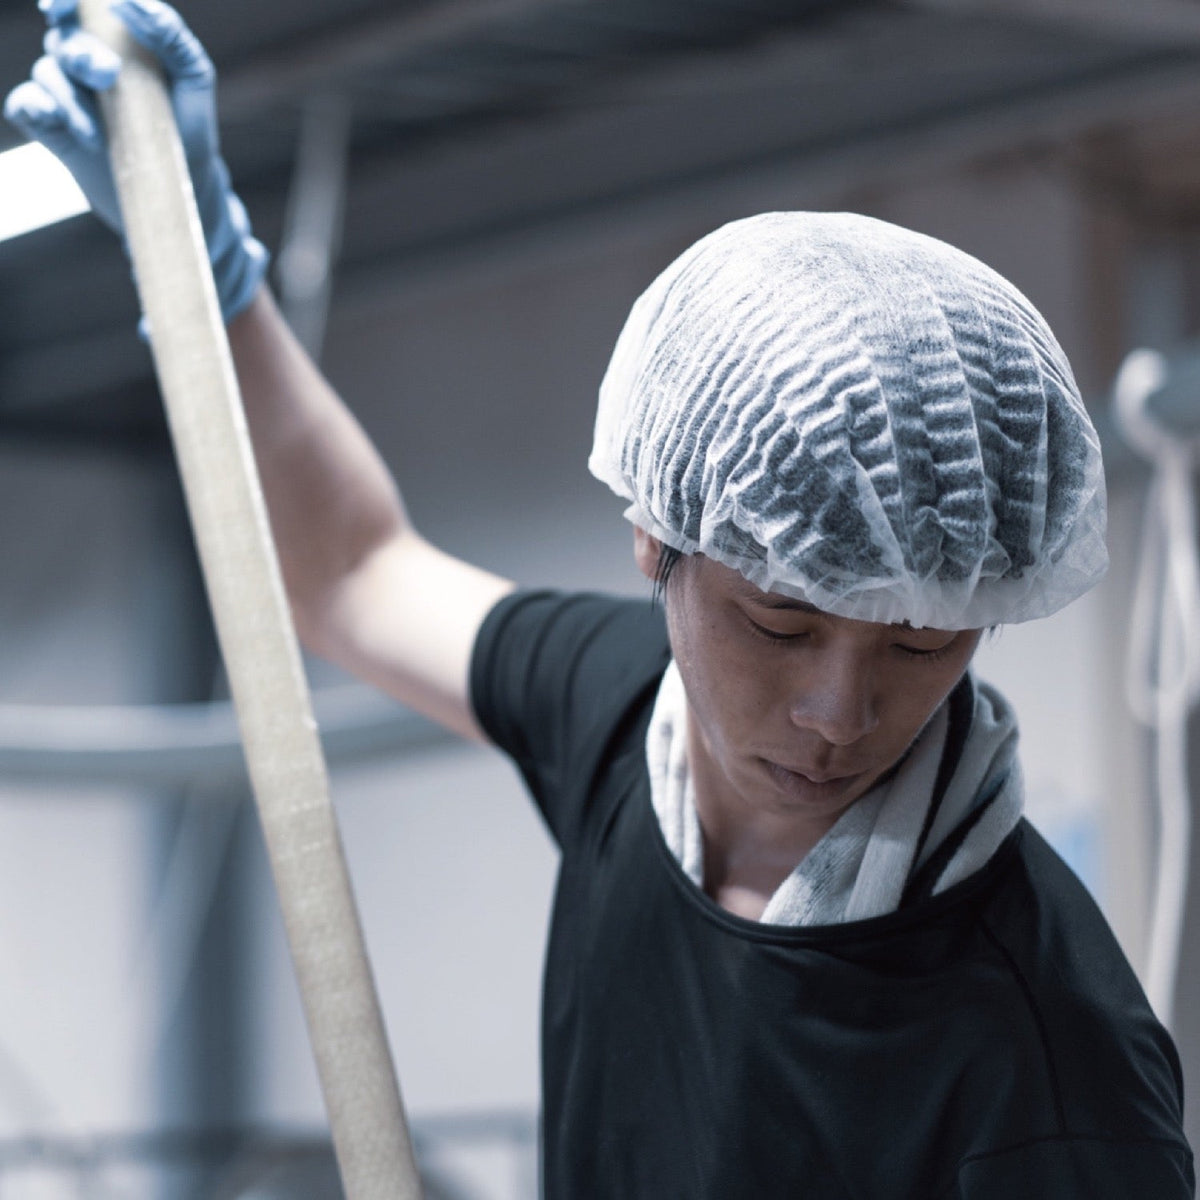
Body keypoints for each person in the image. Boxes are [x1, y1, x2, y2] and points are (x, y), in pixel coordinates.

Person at [7, 3, 1196, 1196]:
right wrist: (210, 270)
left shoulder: (1050, 1073)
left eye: (921, 646)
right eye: (780, 624)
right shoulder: (631, 717)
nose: (840, 709)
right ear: (652, 535)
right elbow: (354, 575)